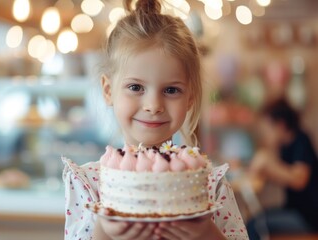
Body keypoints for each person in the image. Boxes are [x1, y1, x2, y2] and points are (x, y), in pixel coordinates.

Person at [62, 0, 248, 239]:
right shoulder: (89, 184)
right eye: (136, 87)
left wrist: (205, 233)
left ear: (190, 97)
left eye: (171, 90)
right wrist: (105, 231)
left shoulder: (211, 185)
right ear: (108, 90)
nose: (153, 106)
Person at [247, 99, 318, 239]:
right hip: (296, 211)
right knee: (257, 217)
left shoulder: (300, 140)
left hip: (308, 217)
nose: (264, 134)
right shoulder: (285, 145)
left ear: (280, 125)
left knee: (255, 224)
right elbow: (280, 171)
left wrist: (267, 164)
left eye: (267, 129)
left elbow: (299, 180)